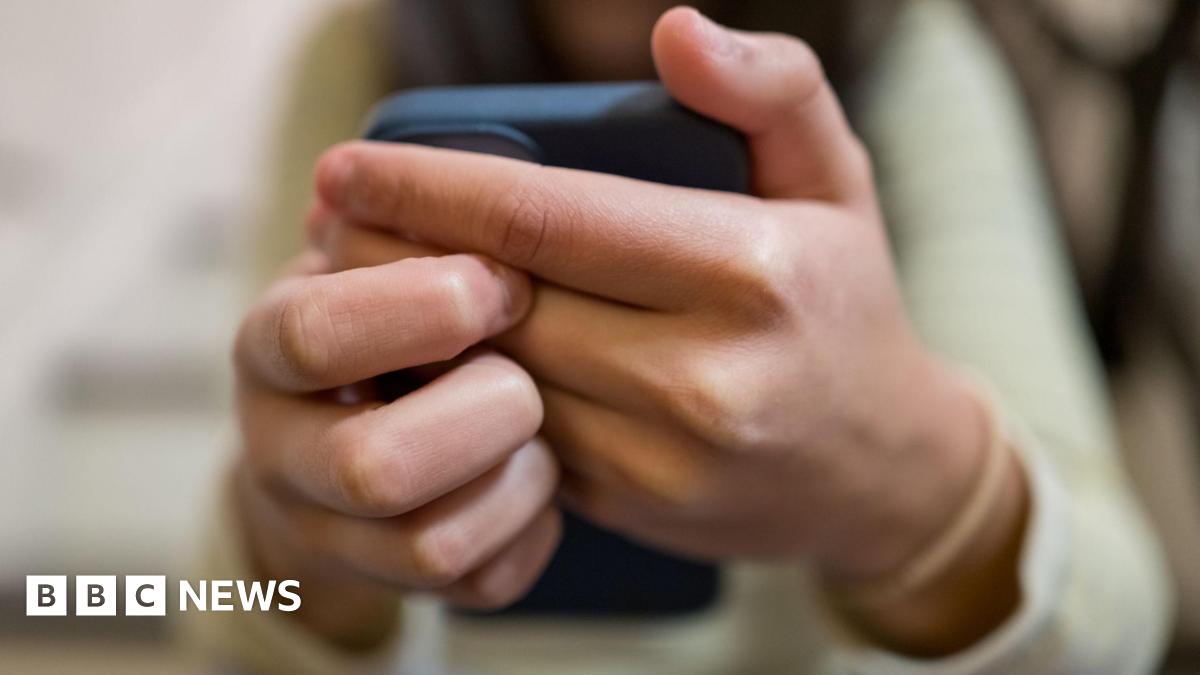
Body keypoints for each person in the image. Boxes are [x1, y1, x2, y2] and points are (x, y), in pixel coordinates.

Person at [183, 1, 1171, 672]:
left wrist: (910, 490)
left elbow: (1120, 618)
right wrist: (300, 545)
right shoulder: (365, 46)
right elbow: (215, 621)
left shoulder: (905, 50)